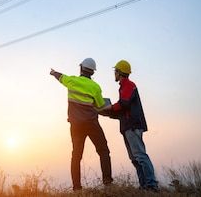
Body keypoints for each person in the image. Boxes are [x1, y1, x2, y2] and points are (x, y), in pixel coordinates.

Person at [50, 58, 113, 191]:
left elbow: (60, 77)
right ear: (92, 72)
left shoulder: (72, 81)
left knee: (76, 155)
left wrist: (54, 72)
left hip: (76, 126)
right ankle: (107, 182)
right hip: (92, 124)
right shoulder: (95, 87)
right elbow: (101, 106)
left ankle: (77, 188)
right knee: (103, 151)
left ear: (81, 68)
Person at [100, 60, 158, 191]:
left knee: (140, 156)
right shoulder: (123, 86)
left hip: (133, 126)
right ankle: (144, 186)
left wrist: (109, 107)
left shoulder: (129, 85)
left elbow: (123, 104)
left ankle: (152, 185)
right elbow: (122, 111)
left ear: (119, 72)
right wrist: (106, 112)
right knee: (135, 159)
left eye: (115, 71)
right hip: (127, 127)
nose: (114, 74)